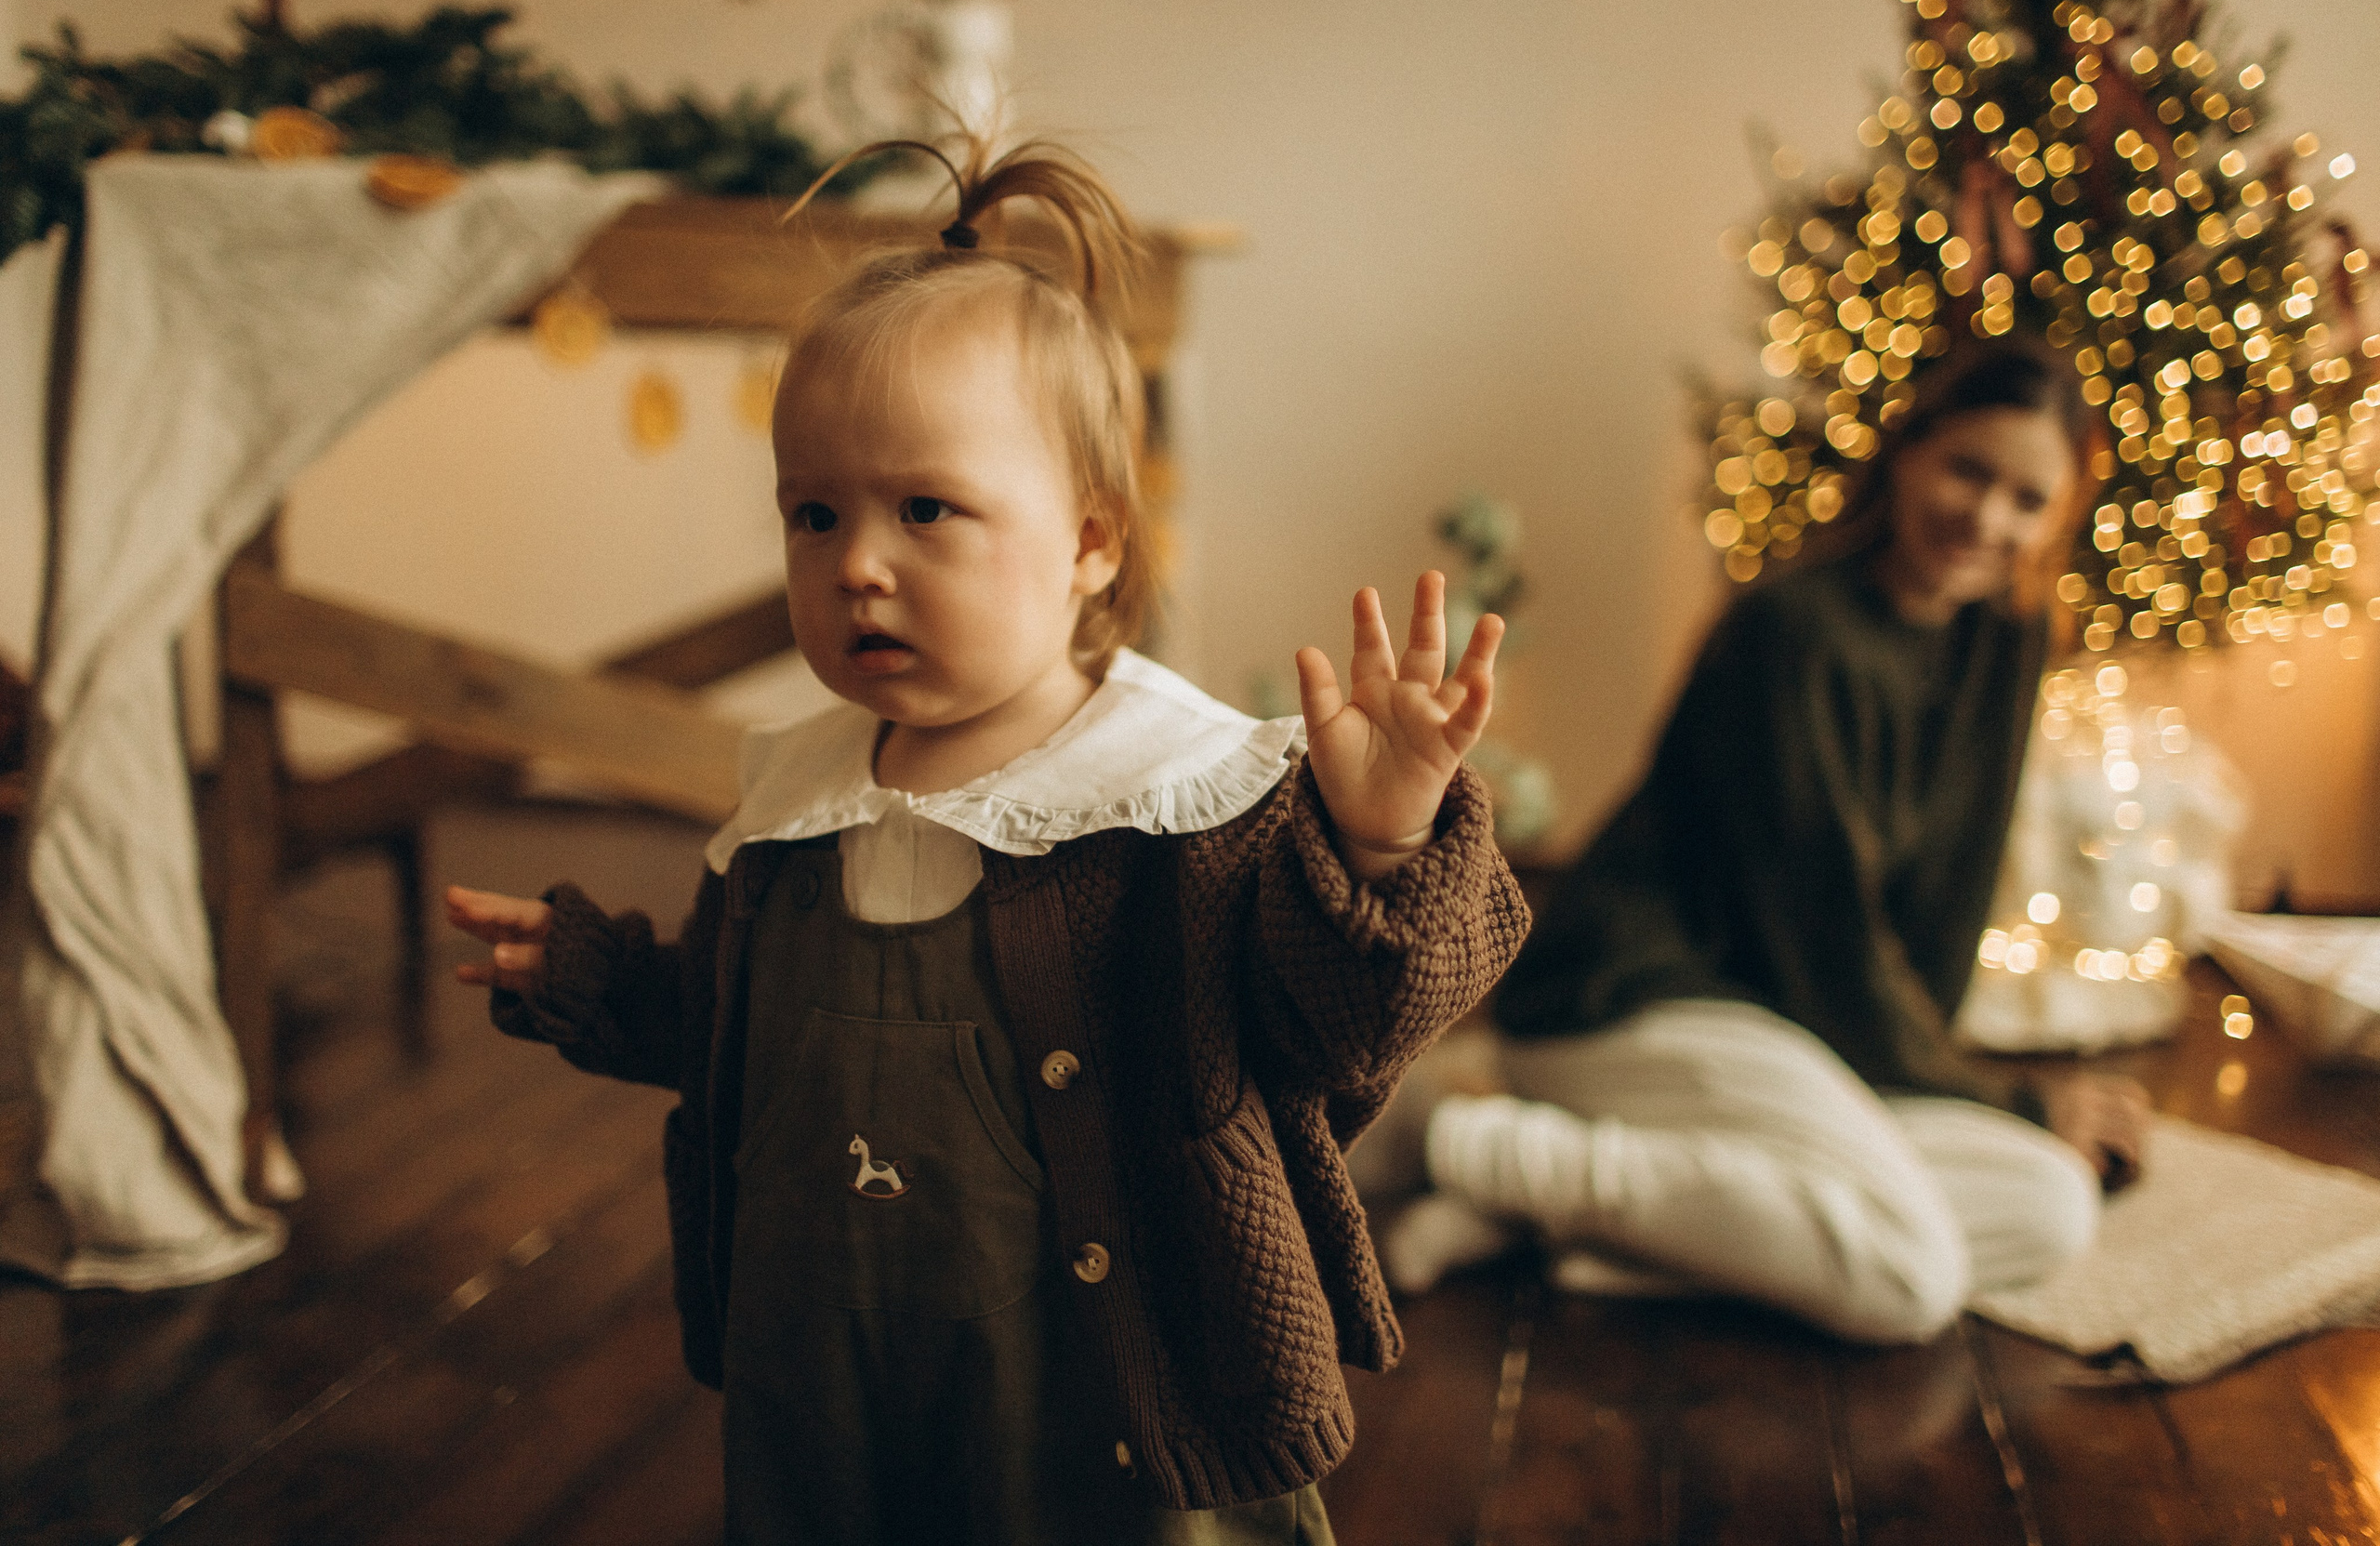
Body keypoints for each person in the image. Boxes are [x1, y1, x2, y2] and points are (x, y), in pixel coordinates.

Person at [444, 132, 1528, 1545]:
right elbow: (736, 1026)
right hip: (830, 1382)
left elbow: (1347, 1023)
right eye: (813, 513)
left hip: (1103, 1397)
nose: (857, 564)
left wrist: (1380, 841)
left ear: (1088, 540)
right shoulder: (794, 798)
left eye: (926, 509)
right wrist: (593, 971)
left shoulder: (1175, 797)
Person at [1393, 341, 2148, 1345]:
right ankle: (1463, 1140)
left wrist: (1950, 1088)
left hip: (1795, 1027)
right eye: (1967, 470)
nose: (1985, 517)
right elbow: (1821, 929)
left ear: (2058, 515)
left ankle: (1534, 1212)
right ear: (1907, 454)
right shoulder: (1789, 629)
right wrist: (2005, 1097)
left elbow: (1944, 904)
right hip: (1633, 999)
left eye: (2025, 496)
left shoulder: (2003, 645)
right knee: (1908, 1277)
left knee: (2049, 1206)